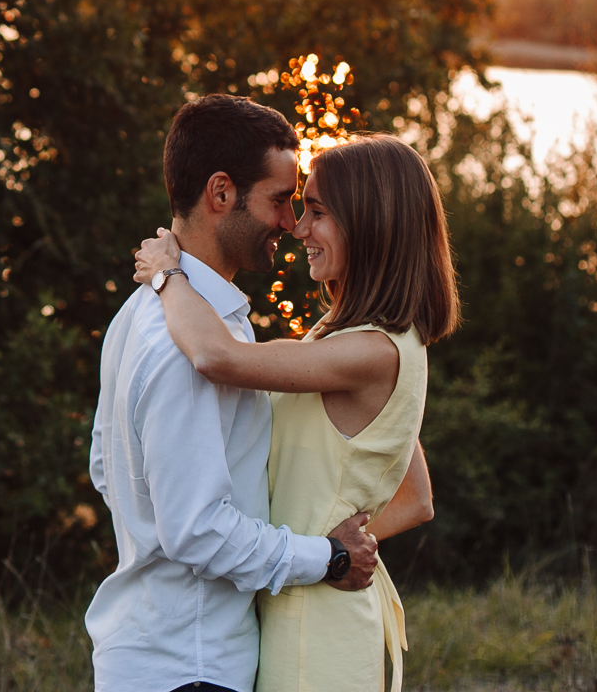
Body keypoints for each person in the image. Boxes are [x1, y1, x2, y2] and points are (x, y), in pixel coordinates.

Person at [132, 132, 460, 692]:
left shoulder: (371, 352)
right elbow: (416, 497)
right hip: (304, 604)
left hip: (319, 629)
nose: (299, 229)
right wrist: (332, 550)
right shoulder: (358, 342)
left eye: (317, 212)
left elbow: (216, 355)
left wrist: (168, 274)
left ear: (370, 223)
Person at [87, 95, 381, 692]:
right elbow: (197, 530)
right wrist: (326, 558)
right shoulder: (183, 348)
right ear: (221, 194)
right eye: (279, 199)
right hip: (189, 666)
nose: (290, 223)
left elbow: (104, 466)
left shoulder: (138, 314)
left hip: (151, 654)